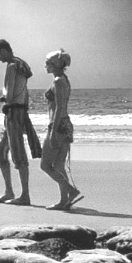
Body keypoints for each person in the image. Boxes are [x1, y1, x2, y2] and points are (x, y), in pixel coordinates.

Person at [0, 39, 36, 204]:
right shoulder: (20, 64)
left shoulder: (12, 66)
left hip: (14, 112)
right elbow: (24, 91)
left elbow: (9, 93)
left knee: (17, 154)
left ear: (3, 51)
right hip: (18, 111)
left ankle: (24, 195)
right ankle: (9, 191)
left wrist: (4, 98)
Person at [36, 50, 82, 211]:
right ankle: (64, 201)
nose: (45, 65)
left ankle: (70, 190)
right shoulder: (63, 80)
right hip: (65, 124)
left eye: (47, 63)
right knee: (59, 165)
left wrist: (54, 131)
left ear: (54, 65)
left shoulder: (58, 81)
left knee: (46, 165)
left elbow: (59, 108)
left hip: (59, 125)